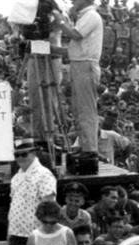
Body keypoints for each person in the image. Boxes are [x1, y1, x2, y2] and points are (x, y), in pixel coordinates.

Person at [55, 0, 103, 156]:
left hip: (85, 65)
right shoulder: (84, 16)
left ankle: (90, 149)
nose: (73, 1)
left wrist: (60, 20)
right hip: (79, 64)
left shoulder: (91, 15)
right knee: (78, 109)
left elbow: (75, 35)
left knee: (86, 109)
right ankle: (84, 145)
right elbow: (74, 49)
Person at [7, 139, 57, 245]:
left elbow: (49, 206)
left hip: (35, 235)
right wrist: (9, 232)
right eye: (17, 155)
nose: (20, 158)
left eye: (24, 154)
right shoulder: (16, 177)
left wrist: (46, 234)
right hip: (16, 234)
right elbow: (13, 205)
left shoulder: (44, 174)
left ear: (34, 153)